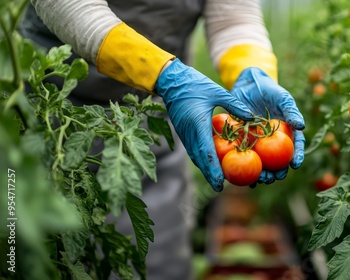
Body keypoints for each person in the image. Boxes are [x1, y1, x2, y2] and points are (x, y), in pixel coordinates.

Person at [21, 0, 306, 279]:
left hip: (156, 115)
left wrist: (251, 70)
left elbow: (233, 16)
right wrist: (163, 73)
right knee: (44, 254)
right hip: (55, 108)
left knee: (158, 258)